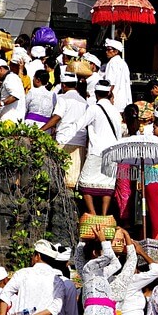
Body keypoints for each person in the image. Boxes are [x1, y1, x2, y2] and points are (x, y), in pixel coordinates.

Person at [60, 81, 122, 216]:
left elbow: (79, 124)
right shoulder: (115, 111)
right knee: (107, 184)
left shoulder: (94, 109)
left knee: (84, 183)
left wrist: (62, 138)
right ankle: (104, 215)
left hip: (97, 151)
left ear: (95, 93)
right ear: (109, 93)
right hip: (113, 152)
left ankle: (92, 213)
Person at [44, 74, 88, 191]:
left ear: (63, 85)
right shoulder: (84, 102)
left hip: (63, 140)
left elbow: (57, 117)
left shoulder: (62, 98)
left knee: (58, 176)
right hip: (80, 142)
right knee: (73, 179)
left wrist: (41, 130)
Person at [0, 57, 26, 124]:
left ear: (0, 69)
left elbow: (16, 96)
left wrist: (0, 104)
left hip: (10, 120)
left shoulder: (11, 77)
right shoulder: (9, 78)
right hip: (8, 120)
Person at [102, 39, 133, 111]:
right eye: (106, 49)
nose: (106, 52)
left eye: (109, 50)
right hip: (123, 100)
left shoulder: (112, 62)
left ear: (116, 51)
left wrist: (106, 98)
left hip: (114, 100)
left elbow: (110, 83)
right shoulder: (123, 63)